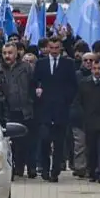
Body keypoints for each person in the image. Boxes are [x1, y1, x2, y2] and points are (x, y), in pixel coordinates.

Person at [33, 36, 78, 182]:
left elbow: (73, 85)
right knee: (45, 140)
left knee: (59, 143)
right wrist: (37, 91)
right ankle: (45, 169)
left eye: (56, 48)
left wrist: (66, 99)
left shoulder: (68, 64)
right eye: (51, 48)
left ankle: (55, 171)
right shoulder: (41, 63)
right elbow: (34, 82)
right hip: (45, 109)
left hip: (61, 109)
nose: (53, 51)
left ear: (60, 48)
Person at [0, 42, 36, 178]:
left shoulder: (26, 68)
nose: (7, 56)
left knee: (27, 142)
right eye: (5, 53)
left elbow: (33, 85)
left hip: (24, 110)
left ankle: (31, 168)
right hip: (7, 112)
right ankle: (14, 169)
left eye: (10, 53)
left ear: (17, 53)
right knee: (11, 144)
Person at [70, 52, 95, 178]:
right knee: (79, 143)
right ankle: (79, 167)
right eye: (86, 60)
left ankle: (91, 167)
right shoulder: (76, 76)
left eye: (91, 60)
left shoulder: (98, 76)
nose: (88, 63)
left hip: (95, 115)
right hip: (78, 115)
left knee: (92, 144)